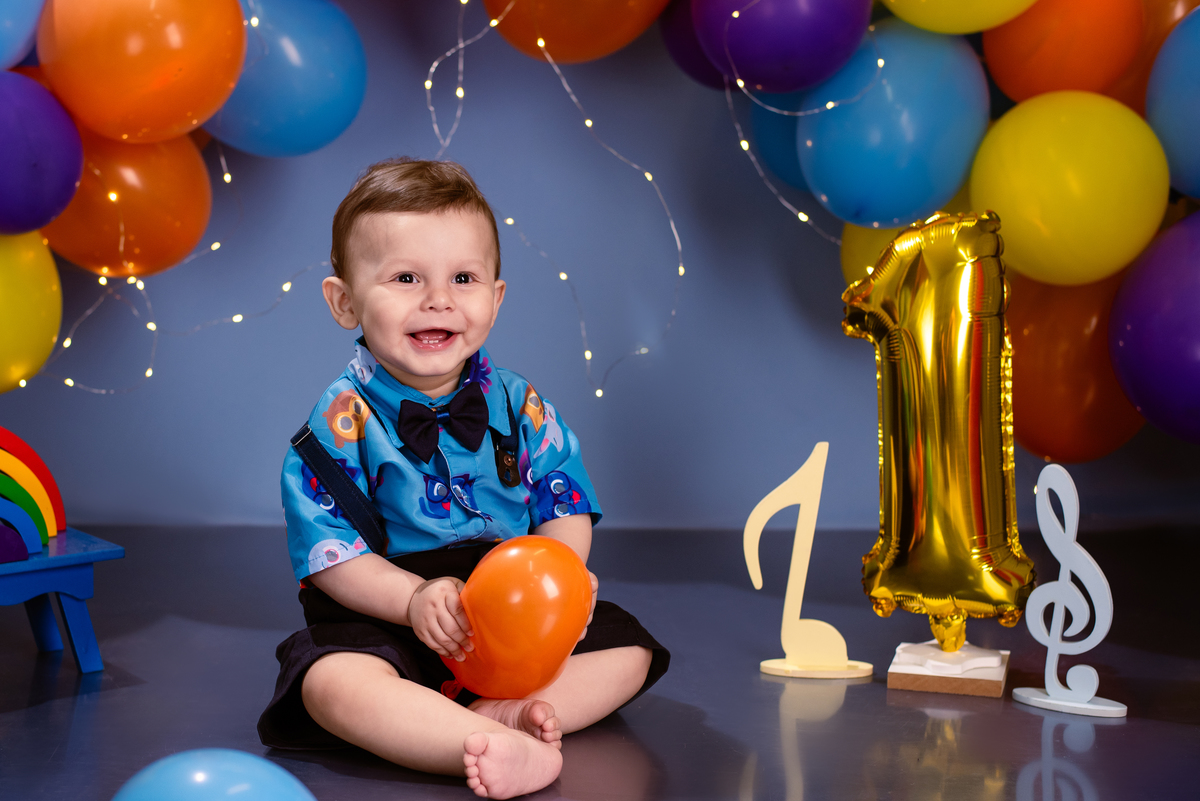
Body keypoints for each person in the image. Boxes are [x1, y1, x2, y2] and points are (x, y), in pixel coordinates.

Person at [257, 158, 670, 799]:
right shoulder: (337, 424)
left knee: (629, 650)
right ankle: (471, 740)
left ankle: (502, 716)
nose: (438, 299)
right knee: (332, 685)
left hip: (512, 614)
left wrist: (561, 579)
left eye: (463, 278)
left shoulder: (521, 405)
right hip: (388, 616)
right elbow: (331, 556)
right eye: (405, 278)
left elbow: (562, 500)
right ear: (345, 302)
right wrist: (411, 600)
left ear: (495, 299)